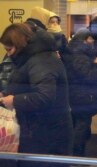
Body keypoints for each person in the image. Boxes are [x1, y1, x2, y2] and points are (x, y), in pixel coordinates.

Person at [0, 23, 73, 167]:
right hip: (40, 130)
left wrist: (14, 100)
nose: (8, 54)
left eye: (9, 49)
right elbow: (25, 83)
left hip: (48, 134)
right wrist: (7, 93)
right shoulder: (32, 57)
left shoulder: (41, 59)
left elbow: (44, 96)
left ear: (20, 44)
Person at [63, 28, 97, 157]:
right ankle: (77, 153)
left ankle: (74, 151)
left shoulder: (73, 53)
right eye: (90, 38)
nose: (92, 41)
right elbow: (88, 76)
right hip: (82, 94)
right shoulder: (80, 56)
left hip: (75, 93)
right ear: (83, 40)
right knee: (82, 123)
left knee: (76, 122)